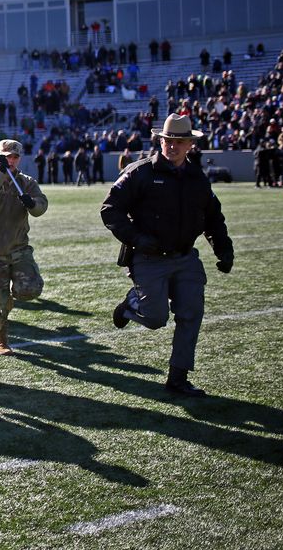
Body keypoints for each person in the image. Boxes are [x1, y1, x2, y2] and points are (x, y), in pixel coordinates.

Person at [100, 114, 233, 397]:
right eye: (168, 140)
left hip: (186, 258)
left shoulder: (197, 178)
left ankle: (178, 378)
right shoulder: (140, 173)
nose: (172, 146)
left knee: (191, 313)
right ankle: (129, 304)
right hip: (149, 258)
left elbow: (213, 217)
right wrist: (136, 238)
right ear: (160, 141)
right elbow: (110, 209)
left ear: (190, 145)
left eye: (179, 142)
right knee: (155, 318)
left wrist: (223, 249)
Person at [0, 139, 49, 355]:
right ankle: (1, 338)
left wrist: (32, 204)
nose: (11, 160)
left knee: (30, 289)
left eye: (15, 157)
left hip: (19, 248)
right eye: (7, 156)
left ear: (20, 158)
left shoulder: (26, 183)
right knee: (0, 302)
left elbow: (41, 206)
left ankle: (11, 296)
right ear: (0, 157)